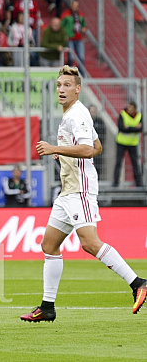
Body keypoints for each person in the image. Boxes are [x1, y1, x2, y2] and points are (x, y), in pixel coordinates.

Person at [22, 66, 147, 322]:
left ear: (78, 89)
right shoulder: (74, 114)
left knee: (89, 243)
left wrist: (55, 148)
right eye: (59, 85)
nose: (61, 89)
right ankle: (47, 308)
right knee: (49, 245)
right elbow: (98, 146)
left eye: (67, 85)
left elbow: (90, 151)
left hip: (80, 188)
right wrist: (64, 152)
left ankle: (138, 283)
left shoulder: (76, 114)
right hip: (68, 191)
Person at [113, 101, 144, 187]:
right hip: (121, 142)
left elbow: (140, 129)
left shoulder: (139, 116)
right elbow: (122, 128)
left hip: (132, 143)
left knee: (135, 163)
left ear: (135, 109)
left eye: (131, 108)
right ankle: (115, 183)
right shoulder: (123, 114)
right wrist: (134, 128)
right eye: (129, 108)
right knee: (118, 163)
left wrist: (128, 127)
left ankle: (139, 183)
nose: (129, 110)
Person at [60, 0, 87, 71]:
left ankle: (81, 75)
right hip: (70, 38)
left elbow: (84, 24)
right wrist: (64, 35)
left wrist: (84, 28)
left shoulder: (80, 15)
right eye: (74, 5)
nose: (75, 7)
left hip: (79, 38)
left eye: (76, 6)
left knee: (81, 57)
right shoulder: (65, 14)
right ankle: (68, 71)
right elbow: (61, 26)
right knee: (71, 57)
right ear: (71, 6)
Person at [89, 105, 107, 179]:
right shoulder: (86, 122)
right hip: (88, 148)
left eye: (93, 111)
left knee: (98, 165)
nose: (92, 113)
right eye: (91, 111)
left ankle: (97, 180)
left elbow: (103, 134)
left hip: (97, 147)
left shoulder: (100, 122)